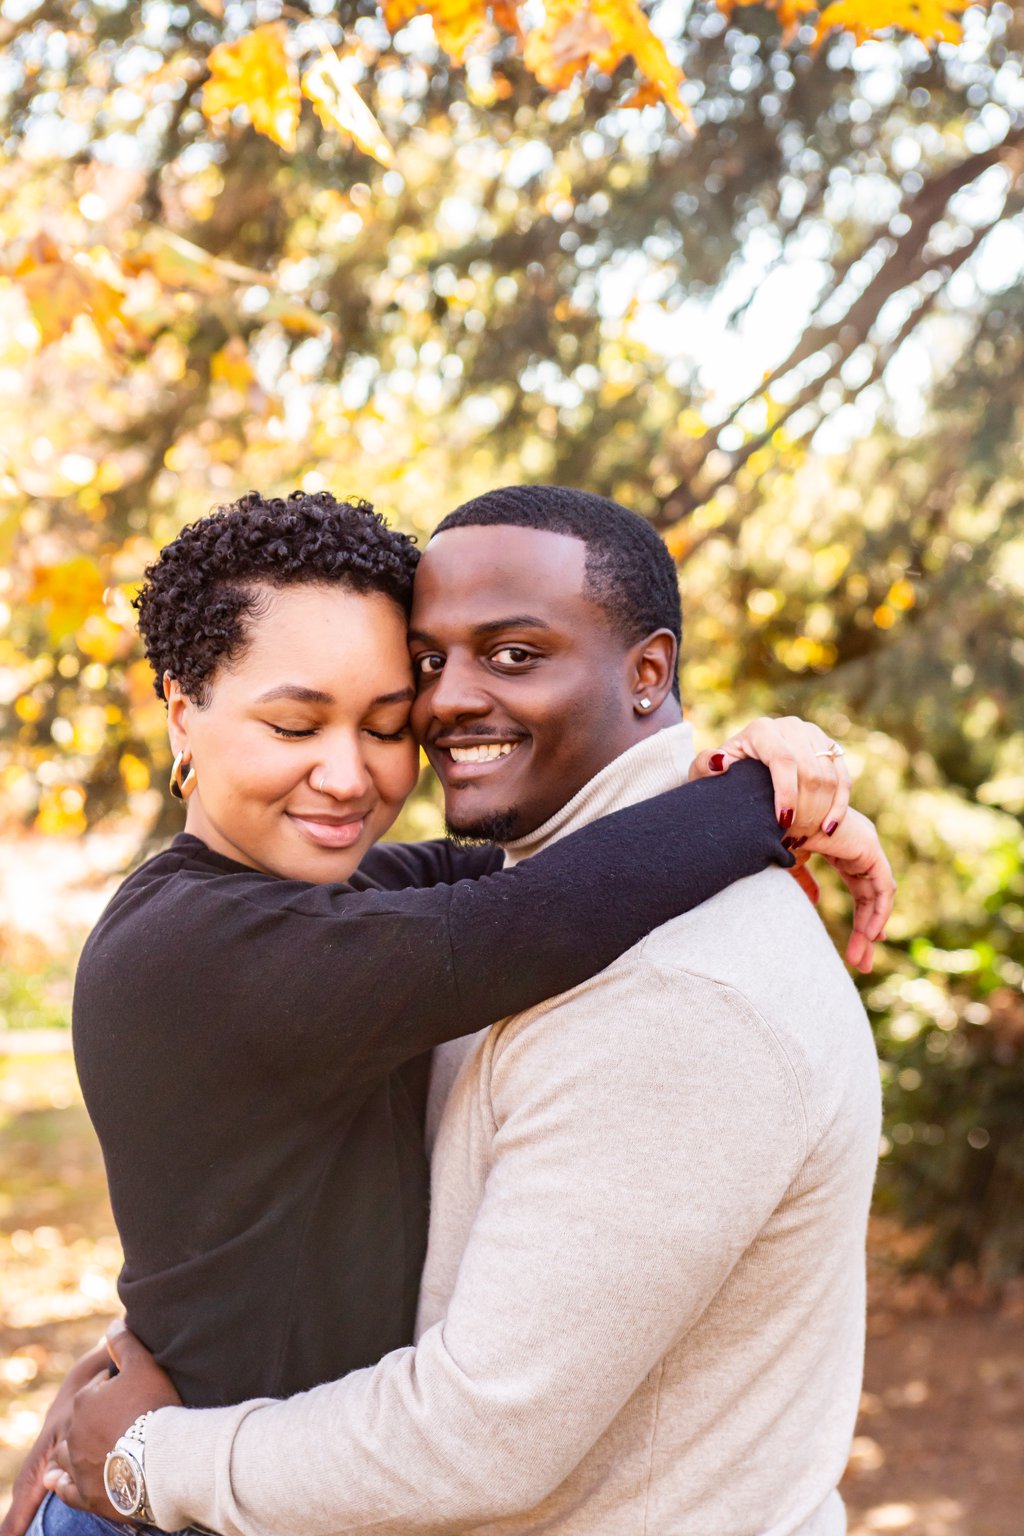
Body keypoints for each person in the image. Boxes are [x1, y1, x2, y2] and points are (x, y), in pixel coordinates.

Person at [39, 487, 891, 1536]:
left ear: (649, 669)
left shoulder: (342, 894)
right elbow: (516, 921)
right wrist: (758, 800)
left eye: (386, 722)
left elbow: (529, 876)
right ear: (182, 713)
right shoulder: (188, 946)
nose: (349, 773)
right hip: (184, 1502)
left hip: (220, 1478)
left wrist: (774, 774)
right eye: (293, 722)